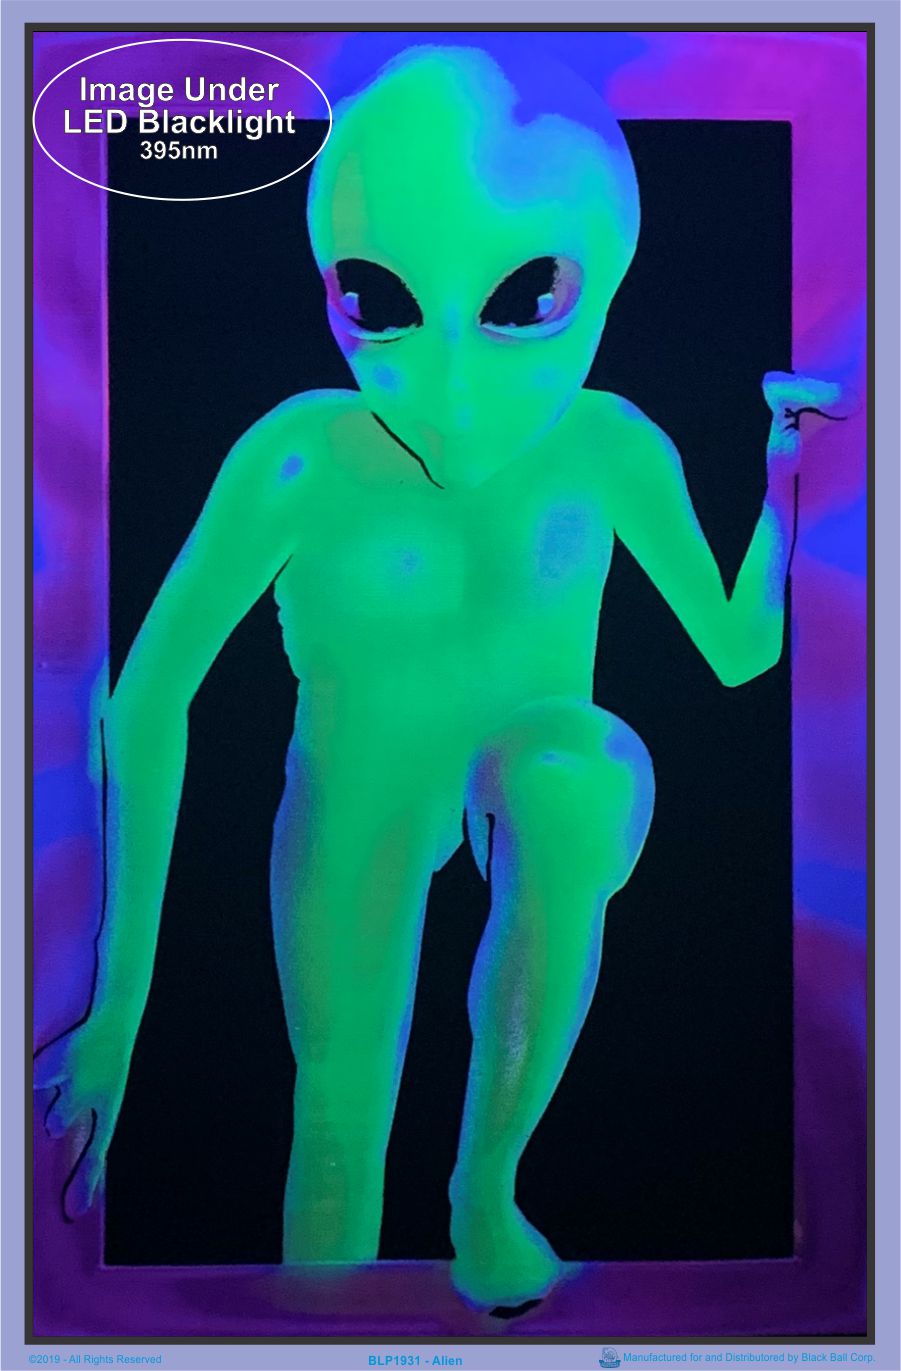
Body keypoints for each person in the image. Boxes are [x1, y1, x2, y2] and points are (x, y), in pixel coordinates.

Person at [34, 43, 851, 1311]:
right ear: (325, 285)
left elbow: (740, 652)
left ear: (610, 282)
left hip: (538, 774)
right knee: (333, 1139)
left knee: (568, 774)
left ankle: (486, 1188)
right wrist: (115, 1010)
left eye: (527, 302)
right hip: (357, 792)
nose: (454, 388)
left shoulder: (608, 447)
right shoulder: (302, 456)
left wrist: (783, 471)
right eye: (380, 302)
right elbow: (145, 700)